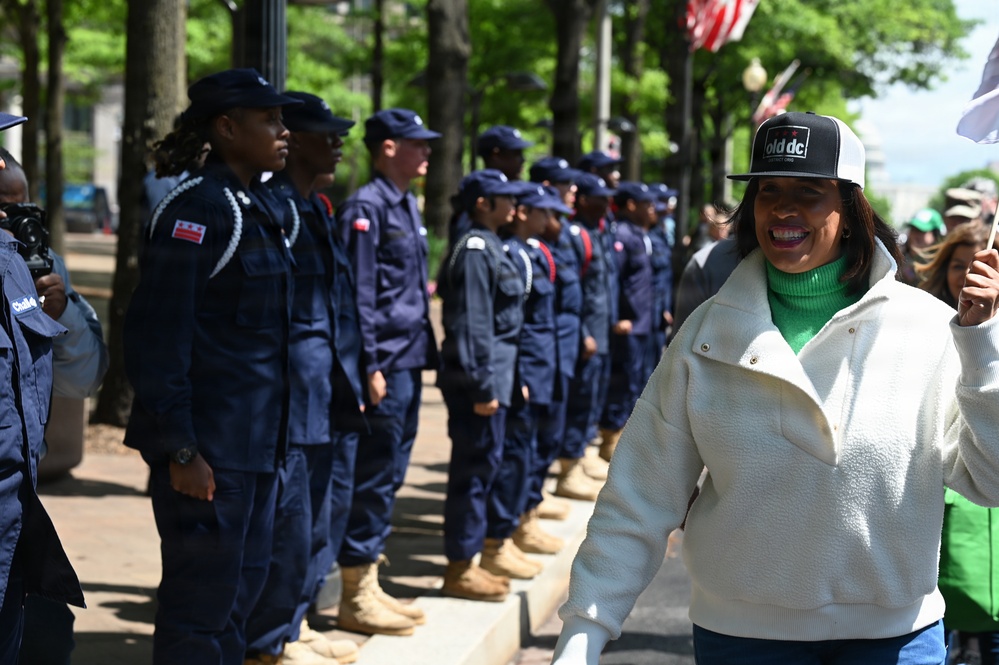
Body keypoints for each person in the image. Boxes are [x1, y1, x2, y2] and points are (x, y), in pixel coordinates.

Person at [551, 111, 999, 665]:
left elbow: (989, 480)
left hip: (898, 641)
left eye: (808, 192)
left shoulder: (929, 328)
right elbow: (639, 493)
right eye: (768, 191)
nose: (784, 208)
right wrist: (583, 631)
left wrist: (982, 347)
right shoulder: (707, 334)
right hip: (740, 641)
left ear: (851, 209)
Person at [123, 68, 301, 664]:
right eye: (269, 120)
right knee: (199, 612)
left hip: (255, 451)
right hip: (210, 456)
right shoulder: (198, 209)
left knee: (235, 606)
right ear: (227, 128)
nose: (284, 131)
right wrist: (180, 449)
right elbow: (159, 337)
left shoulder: (255, 205)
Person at [243, 91, 360, 665]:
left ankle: (293, 624)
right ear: (293, 137)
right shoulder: (276, 208)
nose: (336, 144)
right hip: (289, 399)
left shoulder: (313, 207)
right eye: (325, 133)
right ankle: (269, 642)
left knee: (315, 521)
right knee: (287, 527)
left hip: (322, 394)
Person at [0, 148, 108, 665]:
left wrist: (57, 318)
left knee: (46, 636)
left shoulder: (38, 265)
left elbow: (82, 379)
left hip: (19, 499)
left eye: (23, 206)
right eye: (3, 207)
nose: (14, 219)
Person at [336, 108, 440, 636]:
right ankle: (354, 593)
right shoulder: (367, 207)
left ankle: (368, 579)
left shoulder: (404, 204)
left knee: (390, 472)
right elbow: (359, 295)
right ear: (388, 148)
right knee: (374, 476)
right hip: (385, 363)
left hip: (407, 359)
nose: (427, 151)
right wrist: (370, 364)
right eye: (416, 143)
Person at [913, 221, 999, 665]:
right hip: (946, 501)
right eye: (958, 264)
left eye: (981, 263)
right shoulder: (920, 326)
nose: (969, 274)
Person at [437, 169, 524, 602]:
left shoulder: (490, 244)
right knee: (472, 472)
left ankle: (472, 559)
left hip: (495, 380)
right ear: (482, 204)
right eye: (504, 198)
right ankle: (460, 567)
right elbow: (474, 326)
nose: (513, 205)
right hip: (480, 384)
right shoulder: (475, 249)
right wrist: (482, 387)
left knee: (484, 468)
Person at [484, 182, 565, 578]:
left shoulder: (533, 251)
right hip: (526, 367)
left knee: (530, 448)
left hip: (541, 364)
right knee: (515, 453)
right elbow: (514, 324)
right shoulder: (512, 254)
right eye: (542, 212)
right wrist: (521, 374)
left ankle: (523, 520)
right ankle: (500, 537)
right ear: (523, 213)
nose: (548, 219)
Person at [558, 173, 618, 502]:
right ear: (583, 200)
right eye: (600, 198)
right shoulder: (575, 234)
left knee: (593, 399)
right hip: (588, 336)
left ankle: (580, 458)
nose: (607, 203)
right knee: (579, 401)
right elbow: (572, 292)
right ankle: (568, 469)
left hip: (602, 332)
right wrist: (583, 333)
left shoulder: (599, 231)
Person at [596, 181, 657, 463]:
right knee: (621, 383)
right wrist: (618, 317)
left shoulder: (639, 233)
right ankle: (610, 440)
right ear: (631, 205)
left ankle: (623, 438)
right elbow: (613, 280)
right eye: (646, 204)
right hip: (627, 324)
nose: (652, 209)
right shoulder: (621, 234)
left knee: (635, 381)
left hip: (642, 323)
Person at [897, 207, 945, 287]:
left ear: (936, 235)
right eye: (913, 229)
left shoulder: (943, 268)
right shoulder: (897, 258)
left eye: (921, 231)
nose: (915, 236)